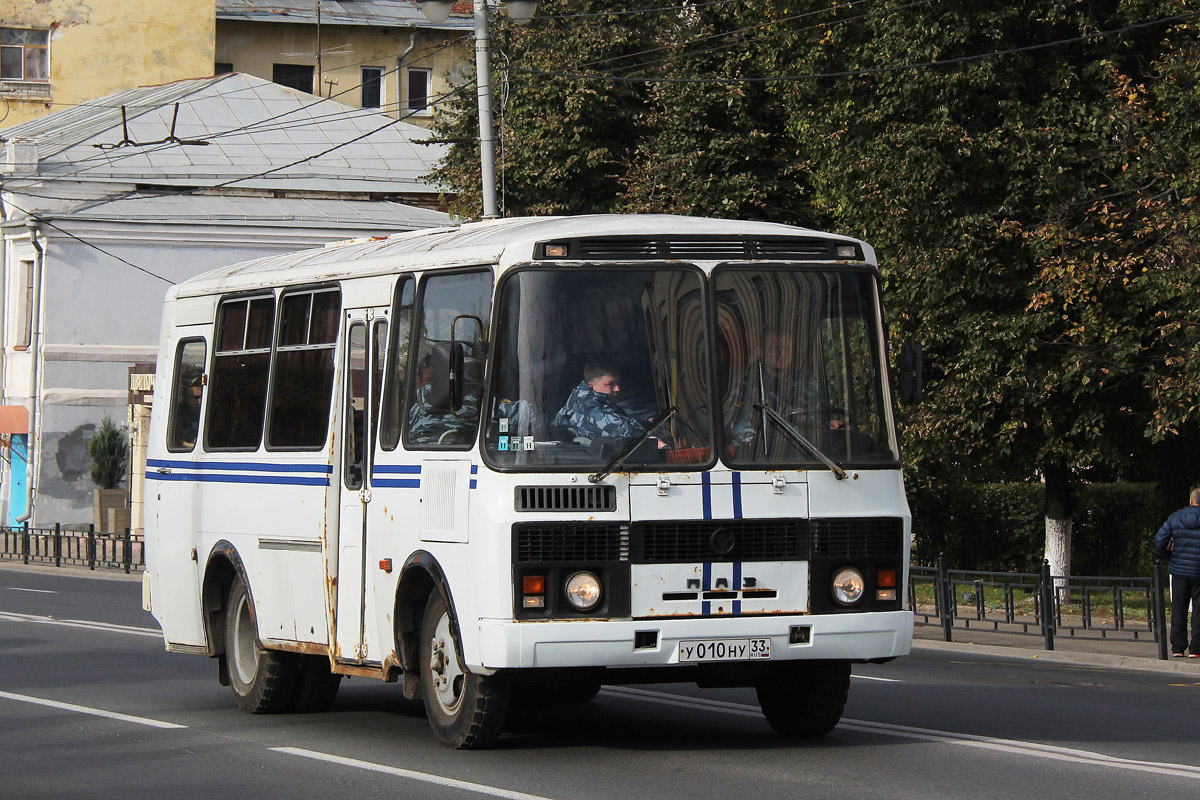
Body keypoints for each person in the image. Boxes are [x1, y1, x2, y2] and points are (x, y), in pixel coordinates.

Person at [726, 331, 842, 450]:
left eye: (786, 348)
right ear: (761, 351)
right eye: (775, 348)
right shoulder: (745, 386)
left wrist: (831, 424)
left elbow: (823, 416)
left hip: (811, 455)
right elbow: (740, 431)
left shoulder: (808, 384)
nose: (781, 354)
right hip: (764, 459)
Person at [1155, 488, 1200, 657]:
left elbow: (1160, 540)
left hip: (1179, 570)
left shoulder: (1176, 517)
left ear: (1190, 501)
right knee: (1199, 610)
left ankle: (1178, 648)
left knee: (1179, 608)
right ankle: (1196, 649)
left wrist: (1170, 556)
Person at [553, 363, 646, 440]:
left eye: (618, 383)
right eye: (610, 384)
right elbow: (624, 432)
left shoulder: (600, 400)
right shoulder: (587, 404)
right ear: (591, 386)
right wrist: (649, 429)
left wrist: (647, 422)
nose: (617, 388)